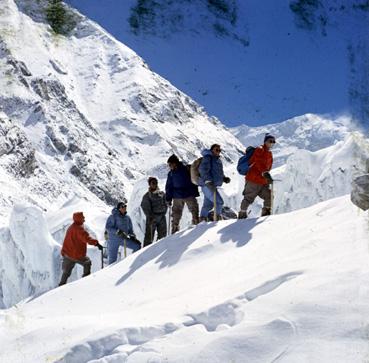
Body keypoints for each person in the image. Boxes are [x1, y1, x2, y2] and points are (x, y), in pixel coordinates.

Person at [59, 212, 103, 286]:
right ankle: (85, 281)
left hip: (67, 254)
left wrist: (64, 252)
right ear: (79, 218)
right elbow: (87, 238)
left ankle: (61, 286)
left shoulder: (71, 227)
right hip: (76, 255)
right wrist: (97, 243)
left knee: (66, 272)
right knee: (87, 262)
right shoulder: (79, 229)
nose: (84, 218)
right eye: (83, 217)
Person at [238, 133, 275, 218]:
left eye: (273, 141)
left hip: (263, 181)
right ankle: (242, 215)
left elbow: (268, 167)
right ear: (265, 141)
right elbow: (257, 162)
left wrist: (267, 177)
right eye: (270, 141)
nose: (272, 143)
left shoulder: (269, 154)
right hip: (253, 180)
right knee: (248, 198)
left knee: (269, 196)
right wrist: (265, 173)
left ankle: (266, 213)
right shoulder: (259, 149)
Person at [165, 154, 200, 234]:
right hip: (182, 195)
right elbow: (169, 186)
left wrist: (168, 198)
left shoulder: (186, 169)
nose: (169, 166)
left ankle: (196, 226)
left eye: (170, 164)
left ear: (175, 163)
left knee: (193, 211)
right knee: (176, 215)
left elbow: (169, 187)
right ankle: (174, 231)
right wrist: (168, 198)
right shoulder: (171, 173)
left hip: (186, 194)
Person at [198, 144, 231, 221]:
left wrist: (224, 178)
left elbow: (217, 173)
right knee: (219, 202)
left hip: (211, 185)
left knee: (208, 205)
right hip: (207, 185)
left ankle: (202, 220)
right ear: (212, 150)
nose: (218, 152)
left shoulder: (217, 160)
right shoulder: (208, 157)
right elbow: (203, 169)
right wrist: (208, 181)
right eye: (216, 150)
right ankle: (217, 219)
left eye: (219, 150)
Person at [141, 177, 168, 247]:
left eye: (155, 183)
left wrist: (164, 211)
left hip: (161, 217)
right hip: (152, 218)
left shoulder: (161, 194)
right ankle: (146, 252)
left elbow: (165, 202)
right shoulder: (147, 196)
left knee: (163, 235)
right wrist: (150, 216)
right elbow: (145, 206)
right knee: (149, 237)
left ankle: (159, 249)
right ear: (149, 184)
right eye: (153, 183)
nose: (154, 184)